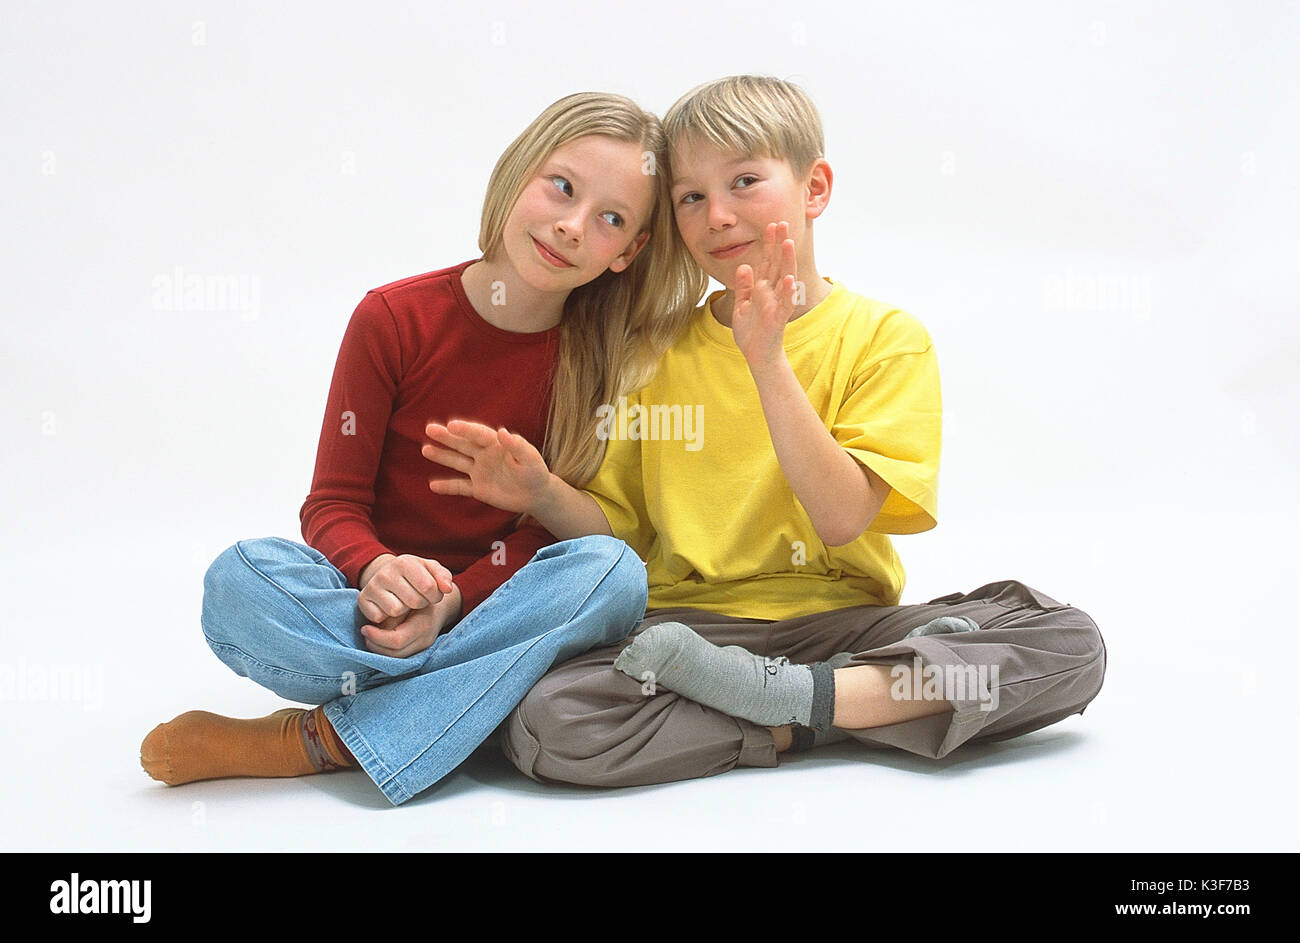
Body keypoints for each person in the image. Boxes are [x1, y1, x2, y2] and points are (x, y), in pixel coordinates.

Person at [424, 75, 1107, 787]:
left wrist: (768, 360)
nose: (717, 215)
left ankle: (796, 703)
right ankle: (849, 709)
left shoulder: (886, 339)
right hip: (690, 630)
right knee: (549, 722)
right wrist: (541, 491)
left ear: (814, 189)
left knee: (1068, 642)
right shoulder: (653, 351)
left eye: (745, 181)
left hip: (846, 625)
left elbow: (842, 518)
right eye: (691, 197)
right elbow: (617, 537)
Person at [138, 91, 706, 805]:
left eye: (609, 220)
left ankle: (318, 740)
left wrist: (458, 596)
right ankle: (464, 700)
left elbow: (553, 541)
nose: (570, 226)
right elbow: (333, 503)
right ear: (518, 172)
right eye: (561, 187)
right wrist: (376, 569)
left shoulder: (601, 360)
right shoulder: (393, 318)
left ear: (629, 253)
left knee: (613, 574)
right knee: (239, 578)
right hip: (369, 614)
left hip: (492, 609)